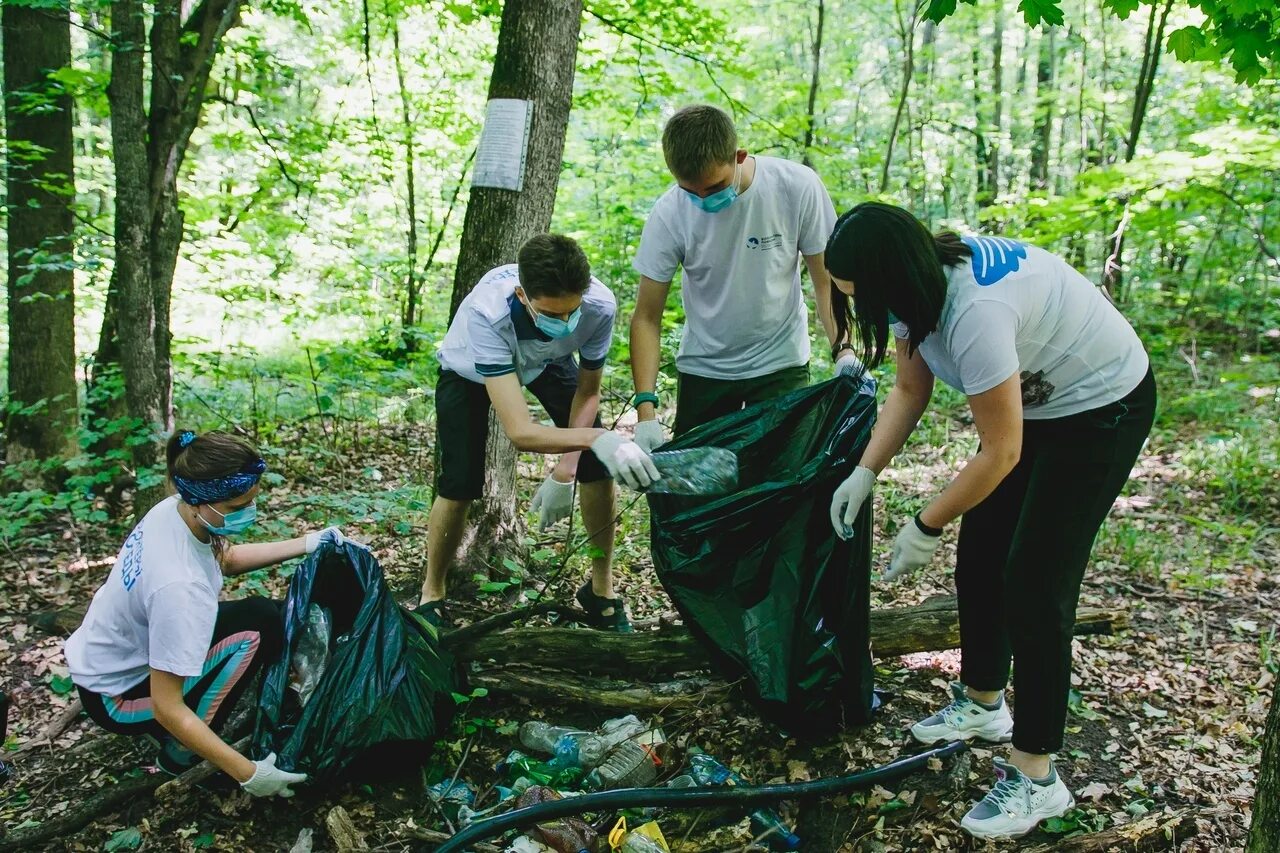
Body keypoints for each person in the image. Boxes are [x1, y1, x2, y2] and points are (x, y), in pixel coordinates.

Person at [824, 202, 1155, 840]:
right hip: (1041, 406)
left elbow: (1002, 451)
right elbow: (909, 390)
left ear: (891, 276)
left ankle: (1037, 777)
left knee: (1035, 585)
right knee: (980, 557)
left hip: (1102, 407)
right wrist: (864, 472)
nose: (860, 310)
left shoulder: (974, 311)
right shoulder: (914, 290)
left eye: (858, 296)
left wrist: (925, 522)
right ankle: (982, 704)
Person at [65, 430, 349, 797]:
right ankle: (179, 754)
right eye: (236, 508)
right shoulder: (179, 588)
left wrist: (307, 542)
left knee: (263, 615)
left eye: (252, 501)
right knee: (255, 632)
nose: (248, 512)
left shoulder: (174, 511)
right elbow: (167, 706)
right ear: (202, 501)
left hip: (110, 657)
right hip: (116, 697)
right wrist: (248, 773)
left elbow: (223, 558)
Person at [416, 233, 658, 632]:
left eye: (571, 313)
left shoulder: (598, 306)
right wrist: (596, 439)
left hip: (546, 361)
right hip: (470, 371)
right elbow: (520, 431)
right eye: (551, 313)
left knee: (596, 467)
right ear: (523, 295)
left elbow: (588, 391)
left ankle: (601, 592)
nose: (565, 324)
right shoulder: (487, 315)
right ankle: (432, 593)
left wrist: (567, 469)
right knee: (459, 484)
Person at [629, 104, 854, 449]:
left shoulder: (796, 187)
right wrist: (645, 409)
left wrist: (844, 351)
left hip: (780, 363)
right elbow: (646, 316)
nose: (704, 199)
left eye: (715, 186)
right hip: (705, 370)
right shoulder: (670, 212)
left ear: (739, 156)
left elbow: (826, 283)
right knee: (700, 489)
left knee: (780, 483)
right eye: (692, 191)